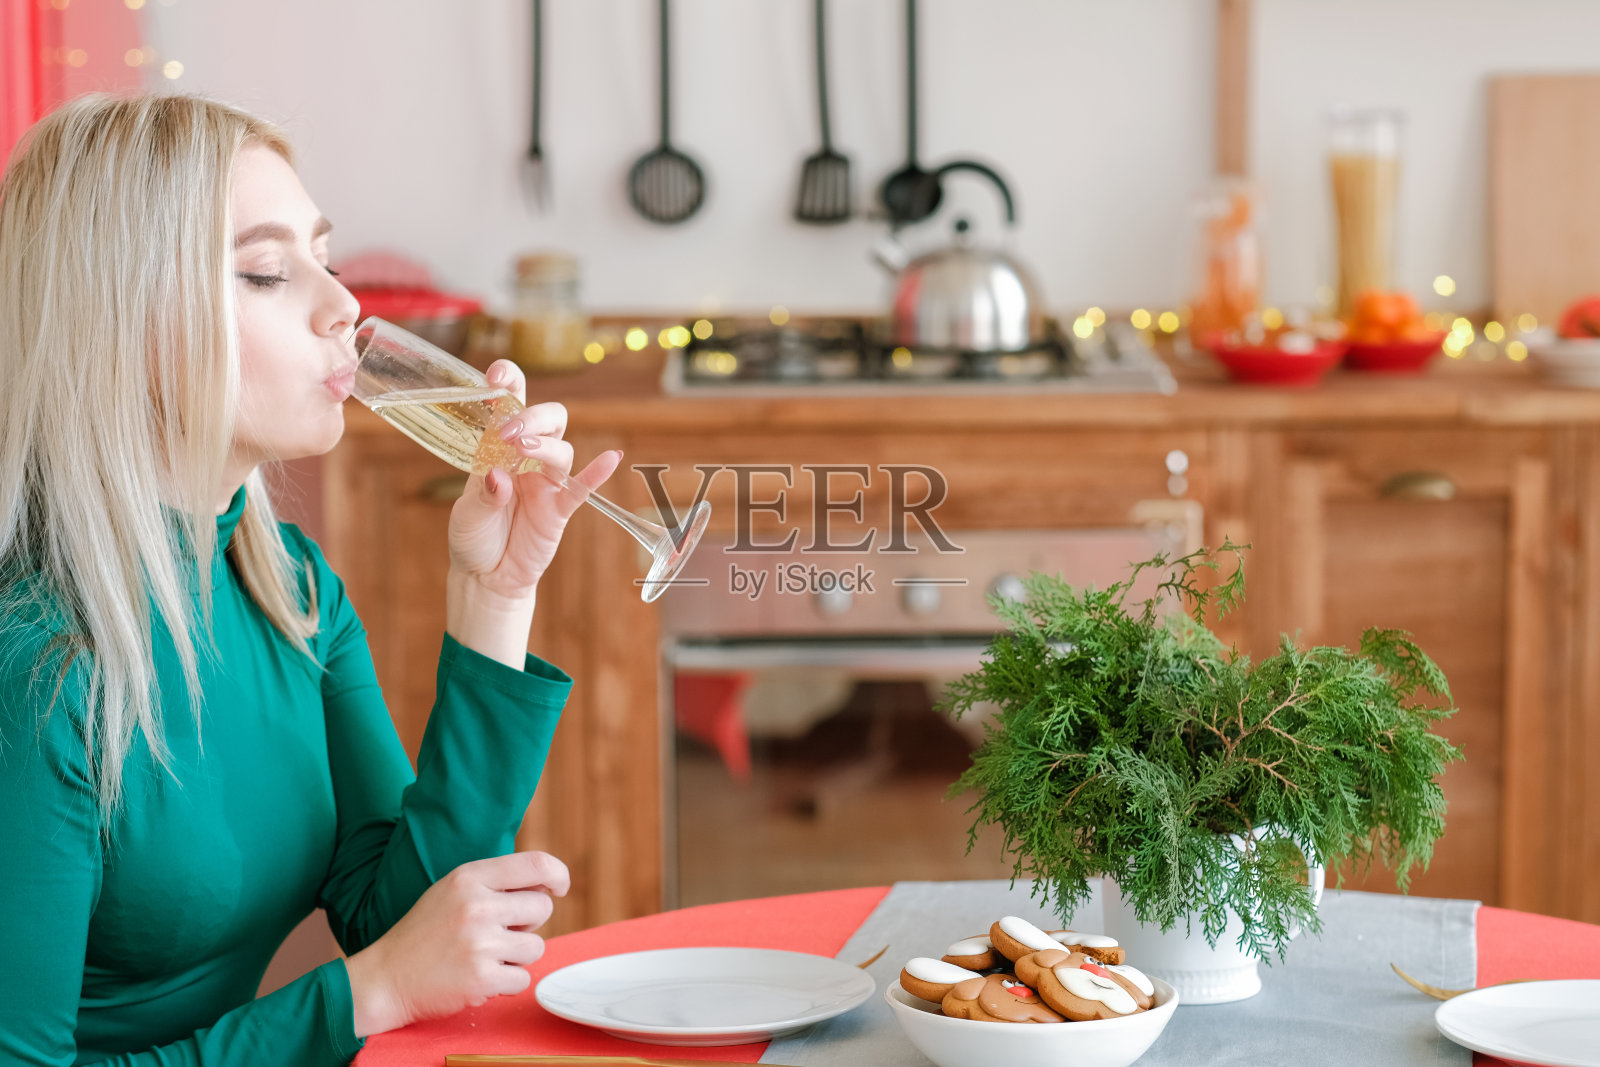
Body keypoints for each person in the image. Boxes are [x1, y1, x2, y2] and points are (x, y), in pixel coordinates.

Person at [0, 92, 622, 1065]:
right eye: (264, 271)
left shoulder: (289, 590)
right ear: (120, 319)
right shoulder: (36, 665)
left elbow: (407, 921)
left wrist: (494, 596)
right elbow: (391, 969)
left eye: (323, 258)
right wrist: (362, 992)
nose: (344, 306)